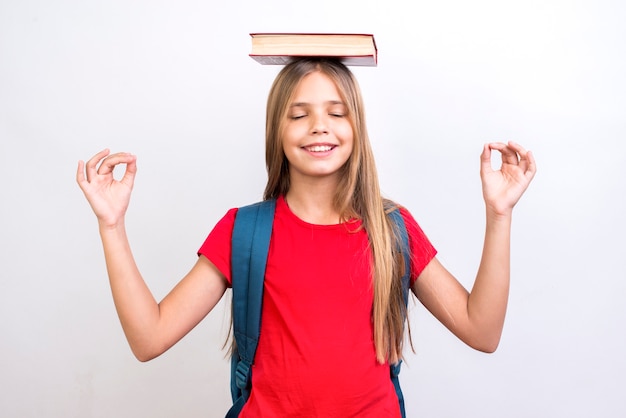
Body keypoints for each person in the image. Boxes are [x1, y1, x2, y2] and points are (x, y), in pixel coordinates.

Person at [76, 58, 536, 417]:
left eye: (337, 113)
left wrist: (499, 214)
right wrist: (111, 225)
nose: (320, 126)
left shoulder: (392, 228)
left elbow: (482, 331)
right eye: (300, 115)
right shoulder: (245, 230)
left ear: (357, 127)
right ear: (278, 131)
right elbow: (149, 338)